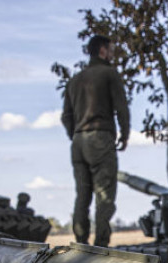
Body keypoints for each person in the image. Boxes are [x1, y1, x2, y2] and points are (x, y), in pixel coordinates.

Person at [61, 34, 130, 248]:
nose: (112, 53)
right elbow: (121, 108)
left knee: (82, 194)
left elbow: (66, 116)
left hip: (78, 142)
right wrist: (124, 134)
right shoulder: (109, 74)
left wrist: (76, 134)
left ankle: (81, 241)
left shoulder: (74, 80)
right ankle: (101, 245)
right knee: (104, 194)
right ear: (102, 50)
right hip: (100, 137)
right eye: (111, 49)